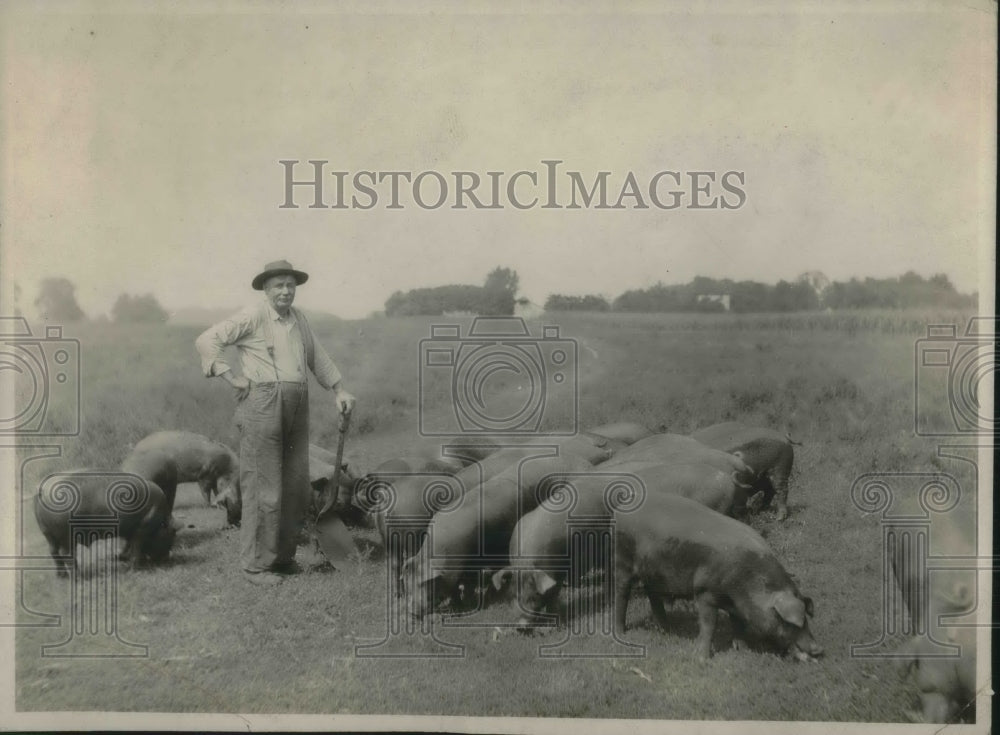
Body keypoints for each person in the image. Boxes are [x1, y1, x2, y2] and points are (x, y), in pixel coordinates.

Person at [195, 259, 355, 585]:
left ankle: (282, 558)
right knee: (264, 488)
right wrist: (231, 378)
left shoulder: (299, 319)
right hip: (263, 405)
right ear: (266, 289)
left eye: (290, 285)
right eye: (278, 285)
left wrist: (339, 389)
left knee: (295, 487)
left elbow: (317, 357)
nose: (285, 291)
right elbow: (206, 341)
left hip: (298, 403)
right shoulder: (253, 315)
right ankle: (256, 566)